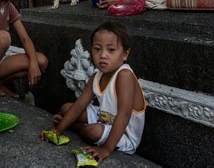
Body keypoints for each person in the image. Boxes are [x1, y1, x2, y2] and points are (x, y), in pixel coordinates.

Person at [41, 21, 146, 162]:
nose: (103, 55)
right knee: (67, 108)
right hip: (104, 117)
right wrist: (58, 130)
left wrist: (106, 149)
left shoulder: (124, 75)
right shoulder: (97, 75)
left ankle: (77, 128)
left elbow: (124, 114)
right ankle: (72, 125)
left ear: (125, 54)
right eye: (97, 49)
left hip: (124, 133)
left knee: (93, 131)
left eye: (111, 50)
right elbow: (79, 105)